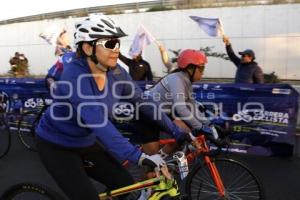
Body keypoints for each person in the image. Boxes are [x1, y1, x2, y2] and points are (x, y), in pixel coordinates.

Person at [36, 14, 189, 200]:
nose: (116, 49)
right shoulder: (74, 75)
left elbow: (144, 103)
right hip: (57, 146)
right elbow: (97, 121)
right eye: (109, 44)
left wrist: (176, 131)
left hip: (86, 143)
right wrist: (138, 156)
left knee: (125, 186)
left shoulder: (117, 73)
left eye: (117, 42)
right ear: (87, 47)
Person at [147, 49, 216, 156]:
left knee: (186, 132)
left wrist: (209, 124)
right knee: (185, 133)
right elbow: (181, 108)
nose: (203, 72)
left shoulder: (186, 81)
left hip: (161, 111)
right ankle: (159, 162)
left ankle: (164, 161)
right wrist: (201, 127)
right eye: (201, 68)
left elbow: (192, 107)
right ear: (190, 69)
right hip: (148, 110)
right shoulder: (177, 80)